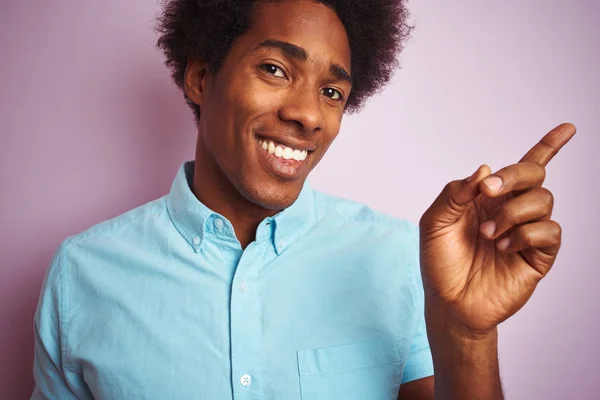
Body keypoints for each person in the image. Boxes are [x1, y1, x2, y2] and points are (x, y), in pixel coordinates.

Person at [30, 0, 576, 399]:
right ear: (200, 78)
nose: (309, 115)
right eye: (274, 69)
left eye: (332, 92)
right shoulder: (83, 274)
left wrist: (467, 334)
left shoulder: (400, 256)